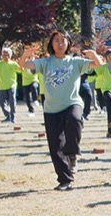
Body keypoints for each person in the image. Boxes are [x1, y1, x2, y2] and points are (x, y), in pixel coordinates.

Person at [19, 30, 104, 191]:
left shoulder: (76, 62)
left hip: (72, 103)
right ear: (51, 44)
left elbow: (99, 66)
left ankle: (72, 155)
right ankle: (65, 179)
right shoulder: (45, 62)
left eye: (63, 40)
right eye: (56, 40)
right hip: (52, 108)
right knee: (55, 146)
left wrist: (94, 55)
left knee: (75, 120)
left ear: (68, 44)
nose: (60, 43)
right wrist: (26, 54)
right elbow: (23, 65)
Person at [0, 48, 21, 123]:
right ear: (2, 56)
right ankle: (8, 115)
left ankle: (13, 116)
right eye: (4, 55)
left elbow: (20, 70)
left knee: (12, 100)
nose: (6, 56)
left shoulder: (13, 64)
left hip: (12, 85)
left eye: (8, 55)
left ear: (10, 55)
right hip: (1, 86)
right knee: (2, 103)